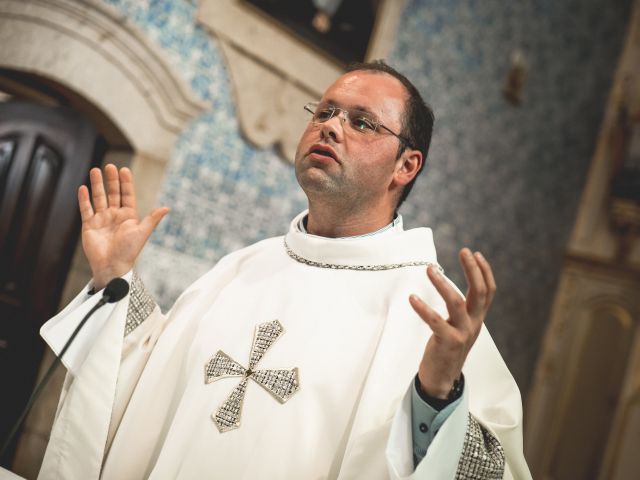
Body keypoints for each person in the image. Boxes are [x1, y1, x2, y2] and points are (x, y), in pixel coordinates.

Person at [38, 61, 531, 479]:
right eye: (325, 111)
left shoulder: (429, 310)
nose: (331, 126)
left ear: (406, 166)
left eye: (363, 122)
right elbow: (146, 380)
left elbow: (491, 468)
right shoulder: (244, 267)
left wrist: (438, 396)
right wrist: (115, 281)